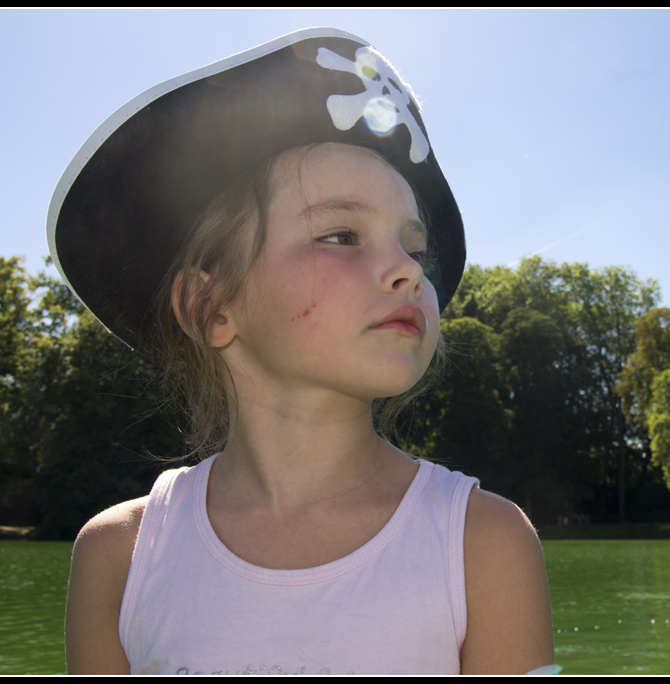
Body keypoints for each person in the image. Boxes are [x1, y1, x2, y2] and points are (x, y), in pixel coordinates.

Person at [52, 28, 555, 675]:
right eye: (343, 234)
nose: (407, 270)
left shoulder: (482, 543)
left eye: (415, 247)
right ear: (213, 309)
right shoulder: (118, 556)